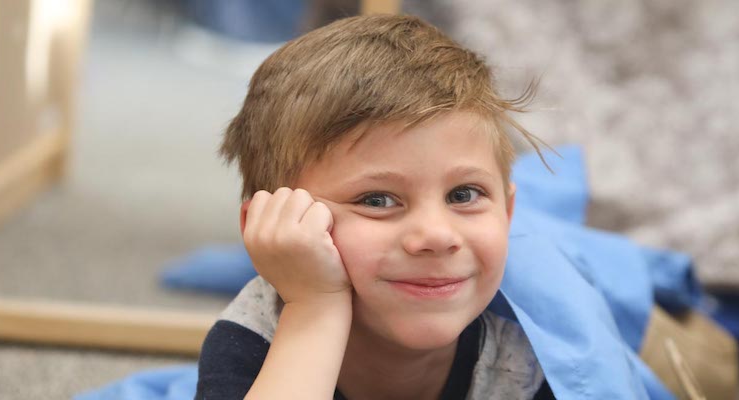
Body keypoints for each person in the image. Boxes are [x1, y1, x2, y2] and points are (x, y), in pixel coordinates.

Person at [195, 14, 552, 399]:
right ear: (270, 226)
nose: (435, 235)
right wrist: (315, 309)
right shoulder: (254, 335)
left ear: (507, 211)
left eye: (463, 195)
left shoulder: (537, 344)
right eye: (376, 200)